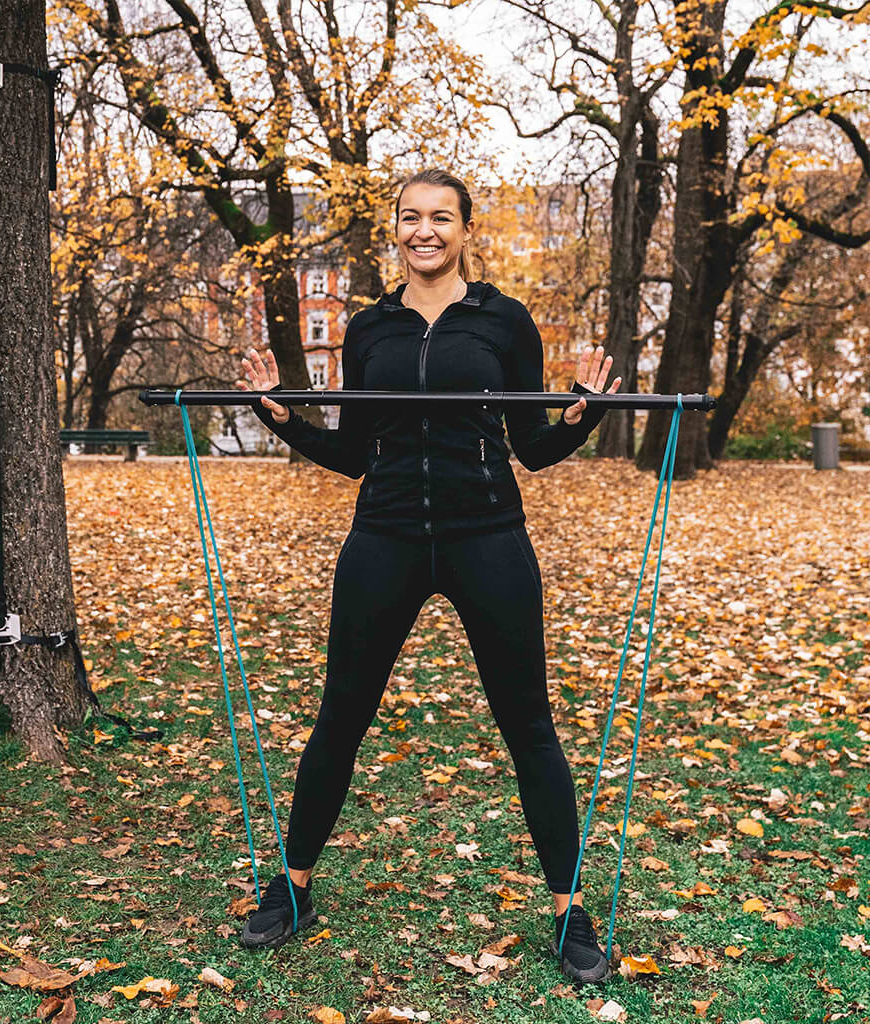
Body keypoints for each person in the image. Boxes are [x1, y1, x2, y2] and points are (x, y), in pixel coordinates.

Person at [234, 168, 621, 985]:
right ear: (396, 232)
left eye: (440, 217)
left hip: (488, 535)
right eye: (411, 218)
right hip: (386, 534)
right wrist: (282, 417)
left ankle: (568, 910)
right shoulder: (369, 328)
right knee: (341, 713)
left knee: (530, 725)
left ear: (464, 229)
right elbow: (350, 450)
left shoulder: (504, 321)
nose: (425, 231)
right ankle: (295, 887)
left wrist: (584, 417)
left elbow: (535, 447)